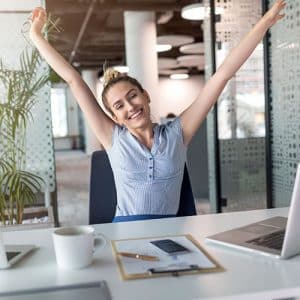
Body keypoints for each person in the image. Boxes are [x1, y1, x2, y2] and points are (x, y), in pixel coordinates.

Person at [29, 1, 286, 222]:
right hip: (124, 236)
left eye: (133, 96)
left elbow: (223, 75)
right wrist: (37, 36)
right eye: (119, 106)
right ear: (114, 116)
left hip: (171, 235)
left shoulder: (178, 133)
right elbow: (74, 80)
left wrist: (263, 24)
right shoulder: (113, 138)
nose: (130, 107)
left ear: (146, 96)